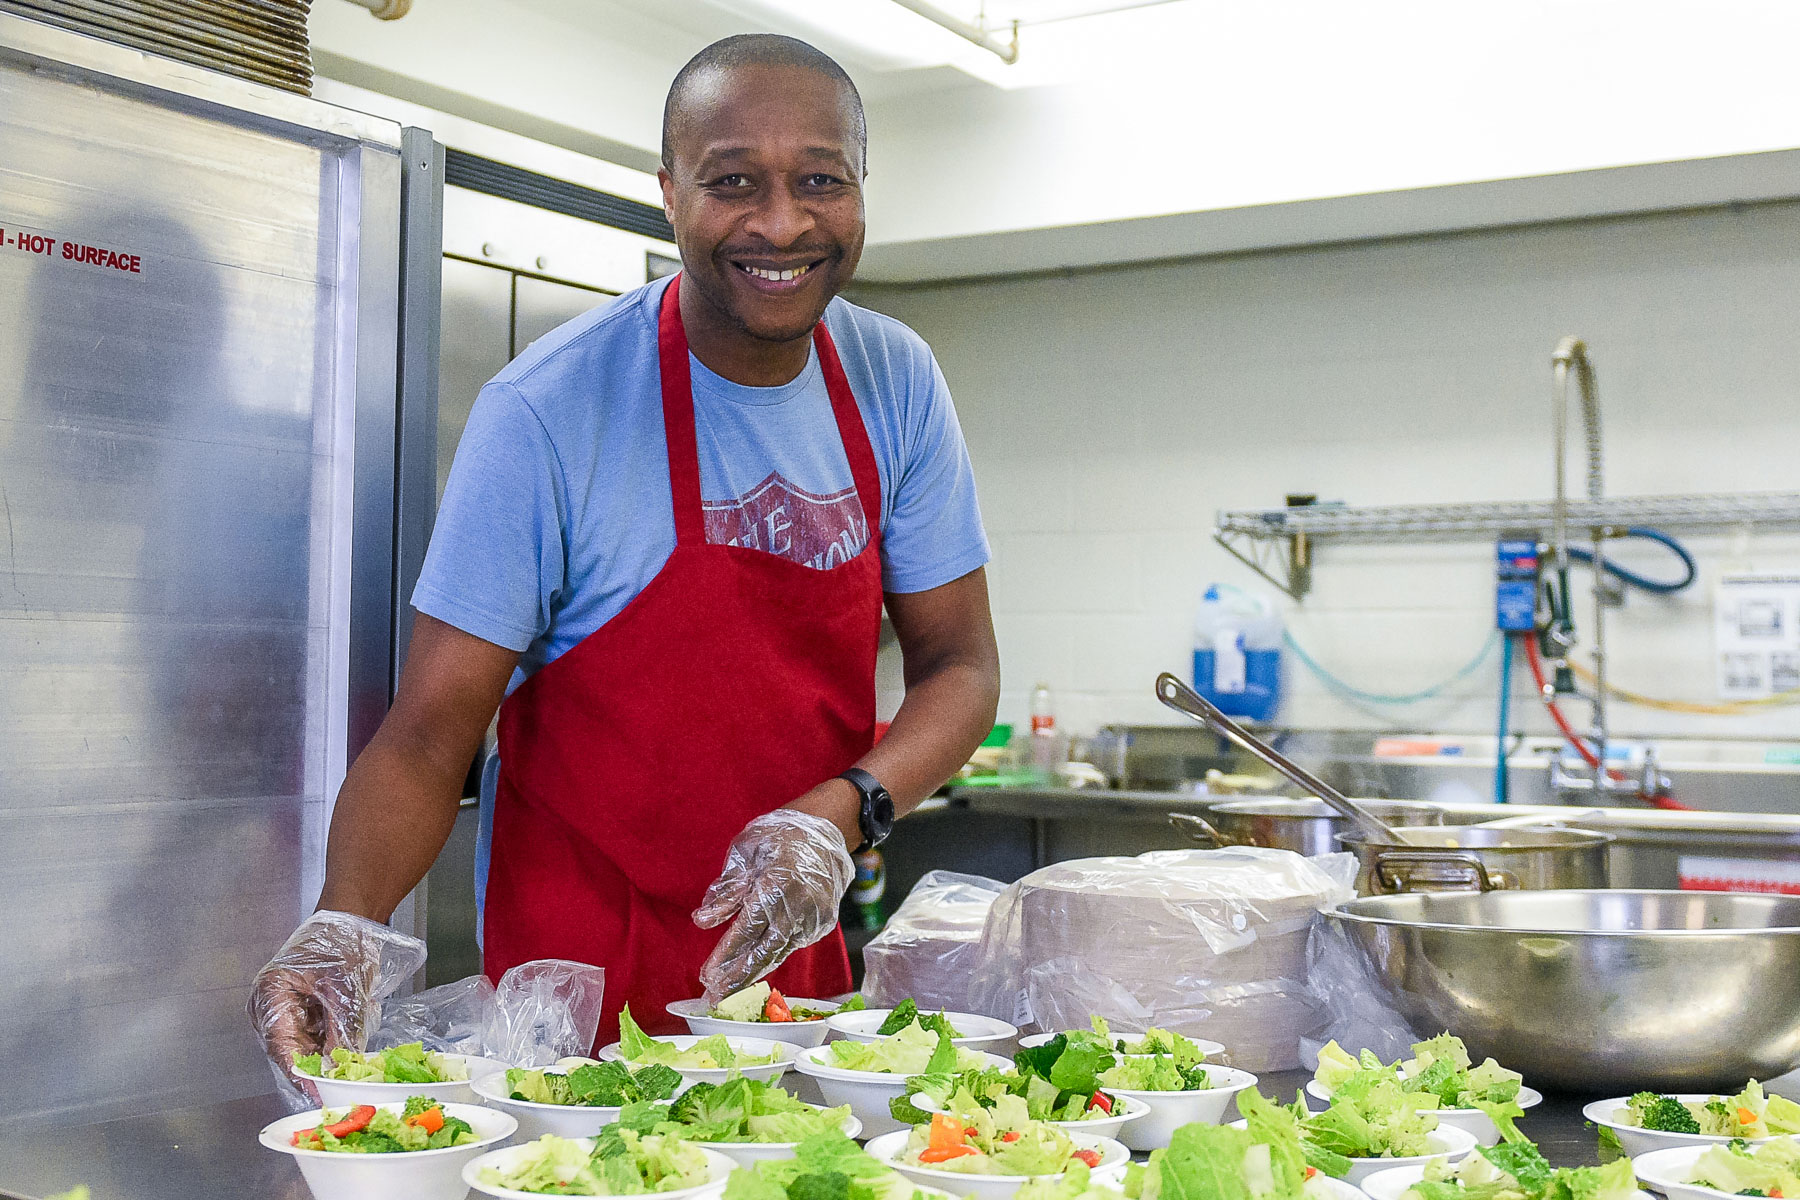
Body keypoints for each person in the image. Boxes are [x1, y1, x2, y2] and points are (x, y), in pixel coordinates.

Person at [249, 32, 1001, 1082]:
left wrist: (845, 814)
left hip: (784, 973)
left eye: (819, 180)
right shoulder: (549, 411)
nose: (781, 222)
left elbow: (961, 667)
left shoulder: (895, 381)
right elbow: (427, 734)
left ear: (860, 187)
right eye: (732, 181)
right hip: (576, 986)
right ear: (668, 192)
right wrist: (343, 926)